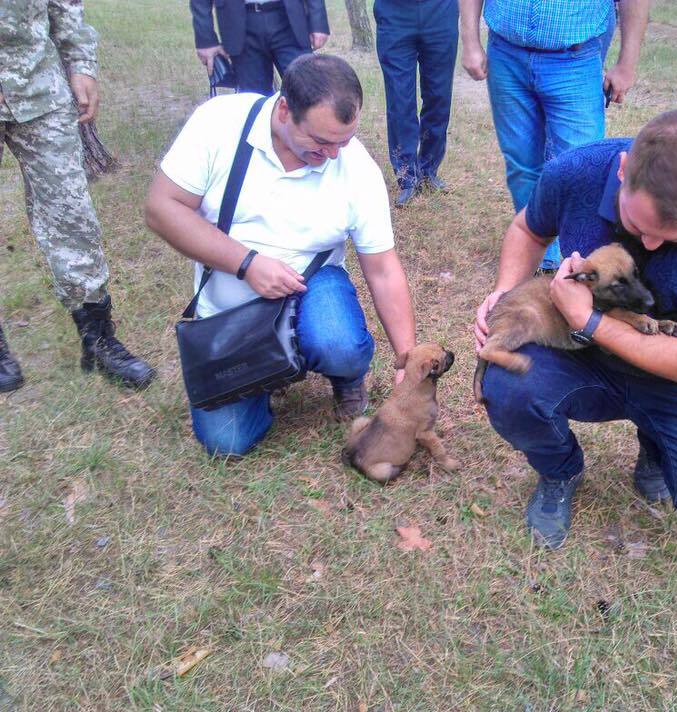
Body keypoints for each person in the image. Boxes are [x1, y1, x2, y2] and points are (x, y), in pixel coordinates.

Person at [474, 109, 677, 549]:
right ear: (622, 170)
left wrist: (589, 321)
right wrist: (504, 291)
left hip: (676, 368)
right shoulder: (575, 171)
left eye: (674, 236)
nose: (649, 245)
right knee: (506, 386)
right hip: (581, 356)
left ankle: (657, 445)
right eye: (637, 226)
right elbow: (528, 229)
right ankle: (560, 470)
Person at [145, 54, 416, 456]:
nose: (334, 155)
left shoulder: (357, 168)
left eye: (343, 141)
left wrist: (408, 360)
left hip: (312, 284)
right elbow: (160, 208)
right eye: (321, 142)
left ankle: (343, 374)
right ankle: (270, 372)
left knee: (339, 345)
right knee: (227, 442)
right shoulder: (218, 123)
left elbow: (383, 271)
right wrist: (246, 264)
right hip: (231, 305)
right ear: (285, 109)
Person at [0, 0, 156, 393]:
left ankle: (98, 340)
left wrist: (81, 64)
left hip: (39, 88)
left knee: (72, 217)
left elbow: (66, 5)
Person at [459, 0, 648, 272]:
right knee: (522, 165)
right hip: (506, 55)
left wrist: (627, 63)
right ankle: (542, 259)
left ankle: (580, 261)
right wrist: (470, 41)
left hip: (575, 60)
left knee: (584, 171)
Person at [373, 0, 459, 207]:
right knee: (399, 99)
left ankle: (429, 170)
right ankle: (407, 177)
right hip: (394, 14)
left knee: (439, 96)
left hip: (441, 11)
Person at [190, 0, 331, 96]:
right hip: (240, 26)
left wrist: (318, 21)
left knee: (308, 90)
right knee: (254, 99)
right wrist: (206, 39)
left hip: (289, 20)